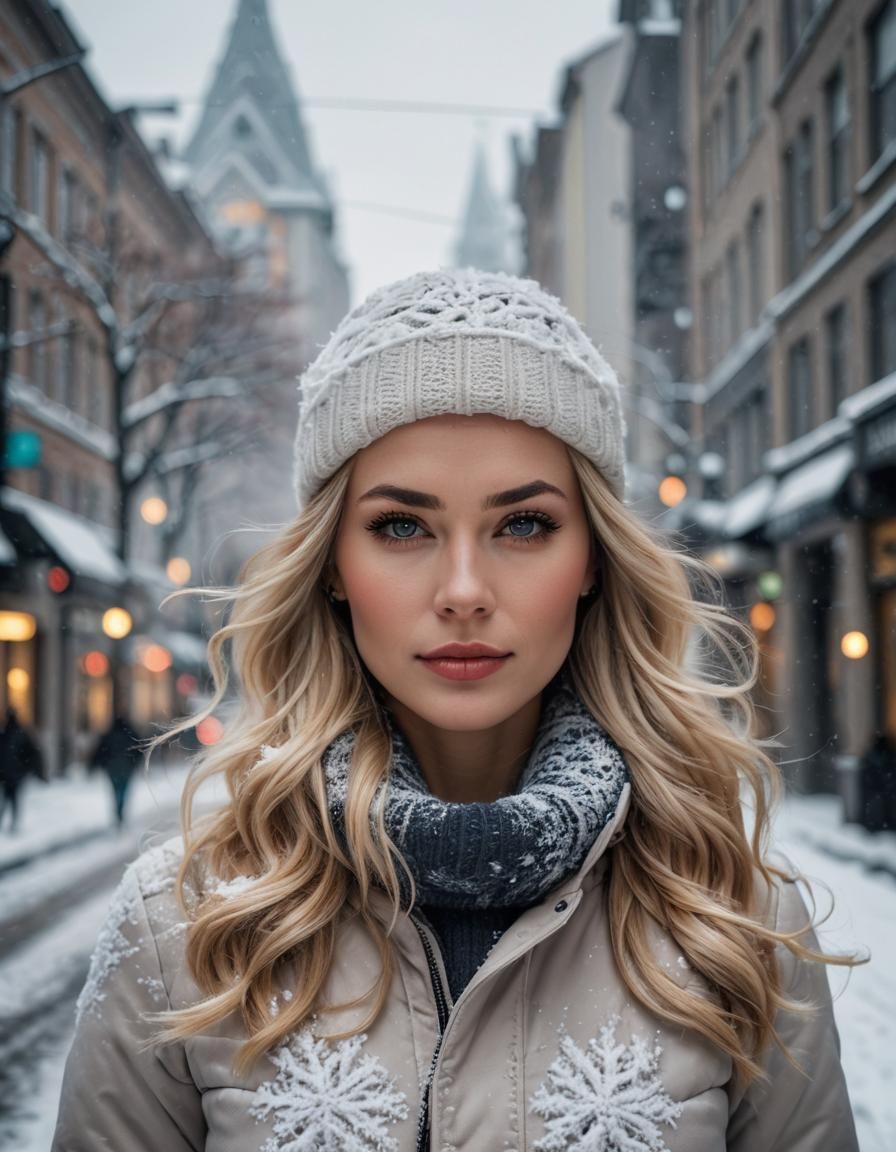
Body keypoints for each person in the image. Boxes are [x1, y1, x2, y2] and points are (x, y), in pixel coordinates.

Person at [52, 269, 861, 1151]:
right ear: (330, 563)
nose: (464, 591)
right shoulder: (182, 924)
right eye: (402, 525)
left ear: (593, 557)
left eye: (524, 526)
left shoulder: (735, 914)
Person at [88, 713, 143, 828]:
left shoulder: (109, 735)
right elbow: (140, 750)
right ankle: (120, 810)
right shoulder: (131, 735)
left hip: (112, 769)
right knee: (124, 790)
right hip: (126, 768)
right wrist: (134, 763)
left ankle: (118, 811)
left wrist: (94, 766)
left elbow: (100, 753)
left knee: (115, 790)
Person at [0, 706, 46, 832]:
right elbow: (33, 753)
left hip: (10, 774)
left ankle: (12, 823)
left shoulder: (8, 734)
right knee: (11, 798)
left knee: (8, 798)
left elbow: (31, 754)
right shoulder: (17, 734)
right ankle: (12, 822)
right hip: (12, 774)